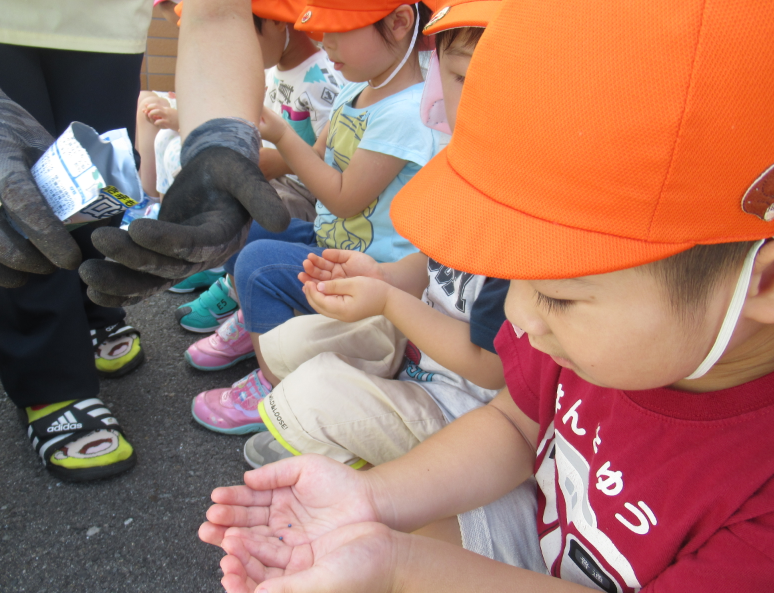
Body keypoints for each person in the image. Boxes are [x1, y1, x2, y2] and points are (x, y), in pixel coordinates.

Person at [198, 0, 774, 591]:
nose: (519, 315)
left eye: (561, 297)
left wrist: (396, 567)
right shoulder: (594, 345)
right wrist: (373, 498)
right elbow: (515, 424)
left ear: (765, 283)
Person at [241, 0, 507, 470]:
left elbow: (491, 367)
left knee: (311, 387)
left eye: (463, 77)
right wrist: (381, 275)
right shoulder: (462, 168)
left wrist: (387, 301)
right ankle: (341, 430)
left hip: (465, 402)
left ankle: (366, 459)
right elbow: (433, 261)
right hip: (414, 338)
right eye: (452, 75)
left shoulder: (522, 219)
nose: (325, 42)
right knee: (288, 346)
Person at [187, 0, 442, 437]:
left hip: (369, 269)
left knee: (257, 264)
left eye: (340, 29)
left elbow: (343, 198)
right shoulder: (359, 84)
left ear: (398, 23)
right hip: (331, 240)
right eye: (322, 27)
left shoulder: (405, 113)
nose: (325, 41)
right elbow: (318, 156)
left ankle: (275, 387)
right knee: (251, 223)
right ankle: (256, 321)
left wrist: (283, 135)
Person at [0, 0, 154, 480]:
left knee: (94, 175)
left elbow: (220, 14)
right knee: (11, 190)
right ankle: (49, 377)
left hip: (105, 21)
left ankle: (94, 311)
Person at [172, 0, 344, 313]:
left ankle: (245, 297)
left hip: (305, 195)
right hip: (278, 181)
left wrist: (277, 161)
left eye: (247, 35)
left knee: (242, 215)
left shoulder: (323, 78)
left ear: (278, 22)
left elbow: (331, 154)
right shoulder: (275, 69)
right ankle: (235, 287)